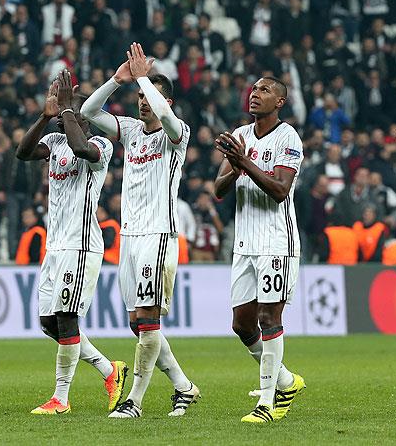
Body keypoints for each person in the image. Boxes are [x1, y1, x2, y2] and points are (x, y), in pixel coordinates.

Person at [82, 42, 199, 418]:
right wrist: (118, 80)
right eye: (140, 96)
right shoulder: (131, 131)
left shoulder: (177, 133)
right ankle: (183, 386)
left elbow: (165, 115)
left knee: (149, 319)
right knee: (138, 323)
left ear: (167, 101)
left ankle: (133, 401)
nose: (144, 101)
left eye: (150, 96)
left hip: (158, 234)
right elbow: (88, 112)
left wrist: (144, 79)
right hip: (130, 237)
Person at [16, 70, 127, 415]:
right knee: (49, 323)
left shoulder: (102, 146)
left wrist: (65, 107)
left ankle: (60, 399)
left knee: (66, 318)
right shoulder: (53, 141)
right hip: (55, 246)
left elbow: (81, 148)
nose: (62, 117)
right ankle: (110, 370)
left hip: (80, 246)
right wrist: (44, 115)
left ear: (83, 118)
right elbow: (22, 152)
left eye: (70, 111)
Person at [213, 76, 306, 423]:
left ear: (280, 101)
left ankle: (266, 403)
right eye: (254, 89)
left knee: (269, 318)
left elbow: (280, 190)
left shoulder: (288, 137)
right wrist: (236, 165)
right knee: (242, 324)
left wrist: (245, 163)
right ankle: (285, 381)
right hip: (244, 244)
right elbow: (219, 189)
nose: (255, 94)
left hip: (276, 242)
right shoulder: (240, 135)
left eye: (265, 90)